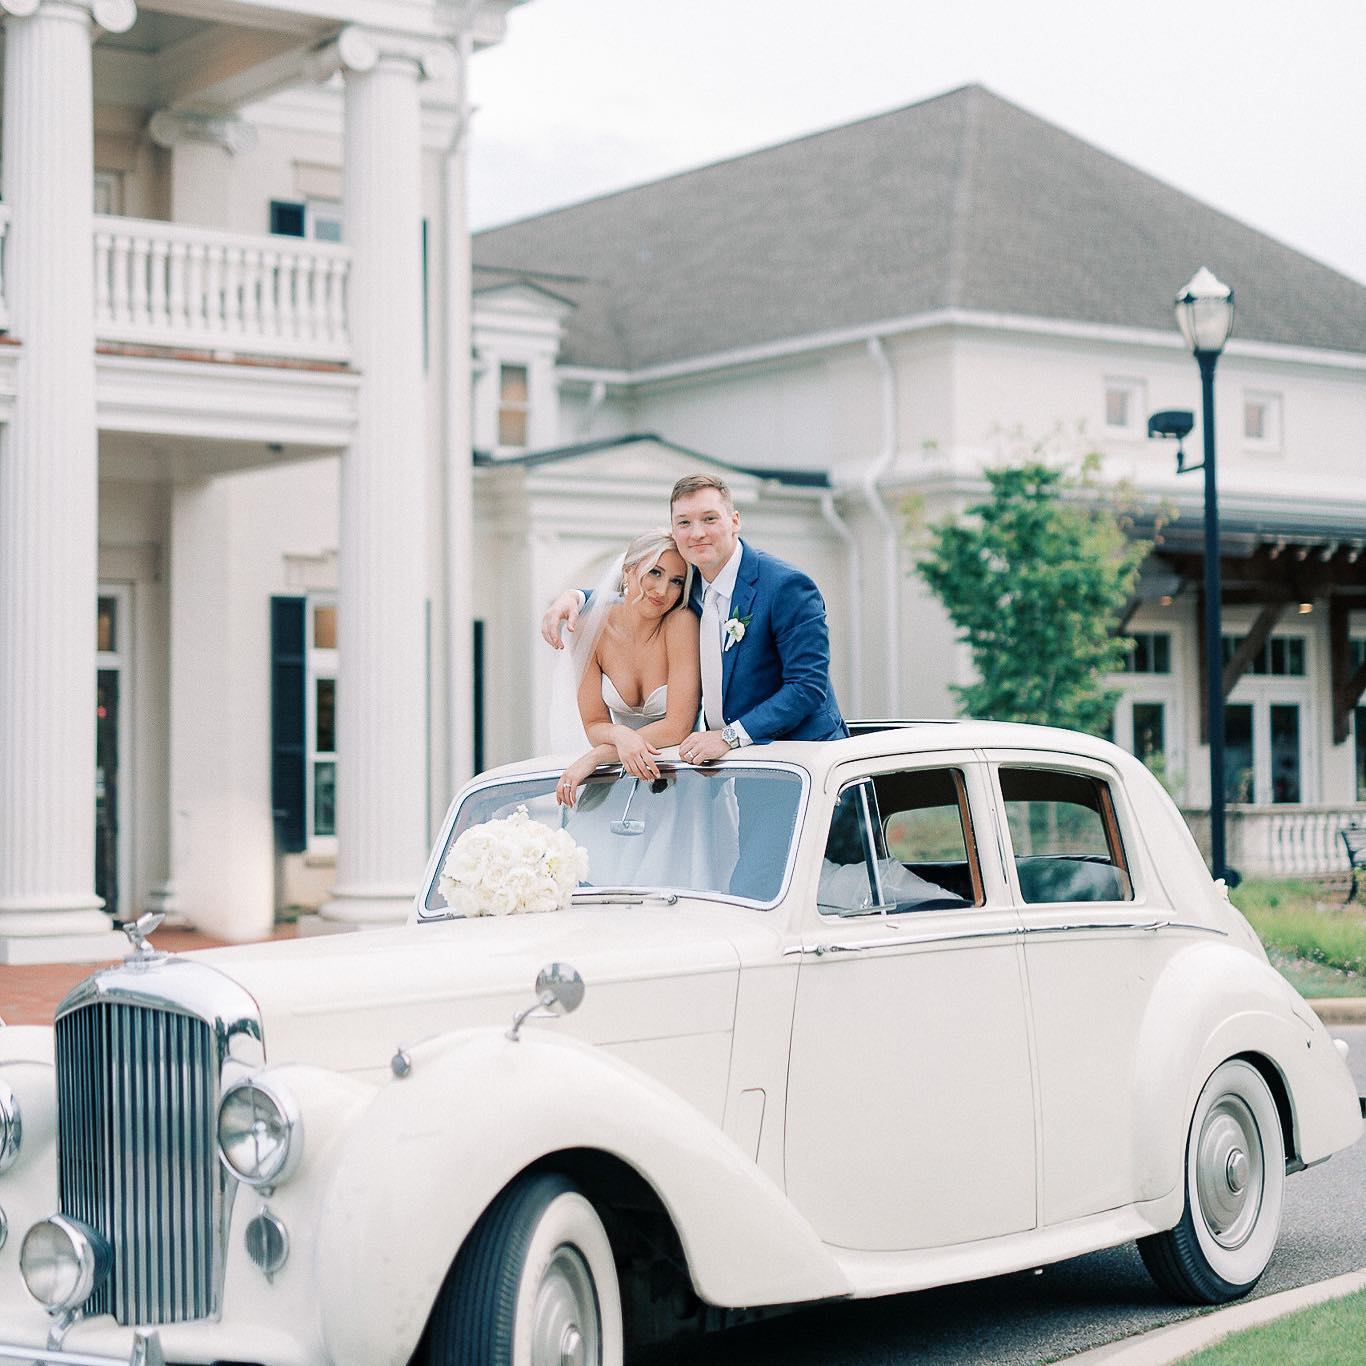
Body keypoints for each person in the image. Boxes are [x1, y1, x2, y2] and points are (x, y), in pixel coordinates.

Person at [542, 473, 846, 762]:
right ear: (674, 530)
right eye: (684, 522)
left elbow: (807, 686)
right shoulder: (686, 586)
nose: (697, 532)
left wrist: (729, 737)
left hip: (805, 760)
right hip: (733, 770)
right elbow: (636, 596)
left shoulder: (785, 586)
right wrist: (577, 597)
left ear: (735, 521)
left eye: (709, 519)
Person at [553, 529, 700, 807]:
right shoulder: (590, 628)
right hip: (617, 781)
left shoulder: (681, 624)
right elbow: (594, 724)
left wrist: (596, 756)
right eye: (655, 572)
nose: (662, 590)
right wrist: (619, 735)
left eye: (676, 581)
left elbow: (677, 728)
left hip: (680, 782)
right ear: (629, 571)